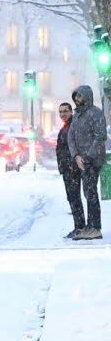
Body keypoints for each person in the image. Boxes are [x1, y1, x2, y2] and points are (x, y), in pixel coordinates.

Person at [66, 86, 106, 240]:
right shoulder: (77, 115)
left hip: (92, 160)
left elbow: (100, 137)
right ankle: (89, 226)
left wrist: (87, 157)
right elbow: (71, 137)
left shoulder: (95, 113)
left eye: (80, 96)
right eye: (76, 96)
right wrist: (76, 155)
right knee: (87, 192)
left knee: (91, 193)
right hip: (80, 160)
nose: (77, 99)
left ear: (87, 96)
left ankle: (95, 227)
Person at [56, 102, 83, 239]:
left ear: (71, 111)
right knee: (72, 197)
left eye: (65, 111)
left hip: (72, 168)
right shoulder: (65, 127)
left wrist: (72, 164)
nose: (62, 114)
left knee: (74, 197)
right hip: (67, 168)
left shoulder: (72, 127)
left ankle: (80, 227)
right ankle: (78, 226)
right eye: (60, 112)